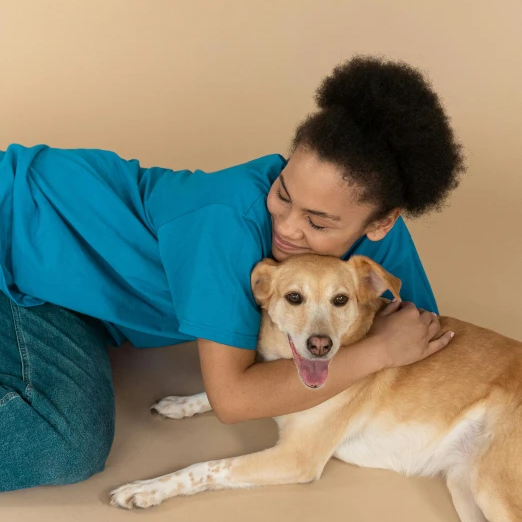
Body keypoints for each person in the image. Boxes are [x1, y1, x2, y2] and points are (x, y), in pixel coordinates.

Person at [0, 56, 465, 492]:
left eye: (318, 222)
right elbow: (234, 399)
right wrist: (377, 350)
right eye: (283, 193)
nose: (286, 228)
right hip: (17, 235)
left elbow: (422, 338)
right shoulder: (226, 222)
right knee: (68, 442)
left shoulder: (378, 242)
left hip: (67, 298)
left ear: (381, 222)